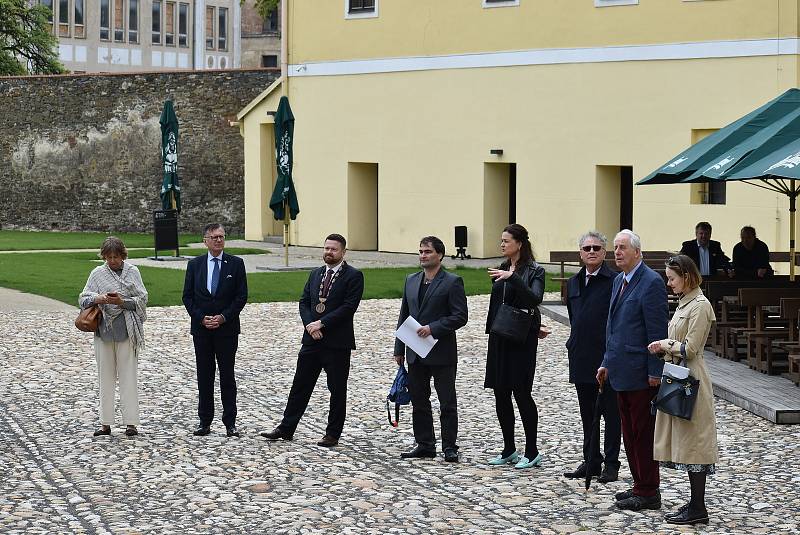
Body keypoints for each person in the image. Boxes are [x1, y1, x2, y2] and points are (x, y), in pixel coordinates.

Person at [262, 234, 364, 447]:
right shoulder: (315, 273)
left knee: (336, 389)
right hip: (311, 341)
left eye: (333, 249)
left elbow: (348, 307)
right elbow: (304, 302)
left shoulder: (354, 276)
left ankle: (333, 433)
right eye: (326, 248)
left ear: (343, 252)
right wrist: (310, 325)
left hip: (337, 343)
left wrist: (322, 324)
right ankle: (286, 427)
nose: (329, 252)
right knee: (300, 385)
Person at [597, 229, 668, 511]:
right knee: (629, 433)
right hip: (620, 370)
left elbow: (656, 331)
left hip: (641, 372)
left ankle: (649, 490)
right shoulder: (619, 280)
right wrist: (605, 362)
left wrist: (655, 371)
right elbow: (613, 328)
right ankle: (640, 484)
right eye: (615, 247)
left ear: (638, 252)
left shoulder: (650, 282)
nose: (617, 252)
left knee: (642, 433)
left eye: (623, 247)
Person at [648, 255, 718, 526]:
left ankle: (699, 507)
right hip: (678, 373)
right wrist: (663, 350)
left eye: (672, 278)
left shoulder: (700, 306)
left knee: (695, 443)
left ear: (686, 277)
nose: (668, 283)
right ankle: (694, 503)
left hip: (692, 380)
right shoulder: (684, 303)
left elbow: (690, 348)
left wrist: (664, 344)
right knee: (688, 443)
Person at [394, 236, 468, 463]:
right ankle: (425, 444)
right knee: (419, 400)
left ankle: (449, 446)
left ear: (440, 255)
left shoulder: (452, 281)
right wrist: (399, 348)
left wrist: (433, 328)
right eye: (421, 251)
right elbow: (404, 315)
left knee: (446, 402)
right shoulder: (411, 280)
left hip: (441, 352)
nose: (423, 255)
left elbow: (460, 316)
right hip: (415, 351)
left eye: (427, 252)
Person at [484, 224, 546, 469]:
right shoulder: (500, 268)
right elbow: (500, 303)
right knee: (500, 391)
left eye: (506, 241)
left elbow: (534, 299)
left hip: (521, 340)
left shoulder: (535, 270)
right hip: (500, 336)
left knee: (521, 392)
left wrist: (515, 278)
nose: (502, 245)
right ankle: (508, 447)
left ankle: (532, 450)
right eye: (501, 241)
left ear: (520, 243)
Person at [564, 231, 621, 484]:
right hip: (581, 355)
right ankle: (591, 459)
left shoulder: (615, 281)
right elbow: (574, 316)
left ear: (604, 252)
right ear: (580, 253)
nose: (591, 251)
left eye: (596, 247)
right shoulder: (574, 282)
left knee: (610, 413)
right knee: (587, 413)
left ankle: (611, 464)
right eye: (586, 248)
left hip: (605, 357)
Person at [182, 223, 248, 438]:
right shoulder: (195, 265)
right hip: (202, 330)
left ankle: (230, 422)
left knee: (227, 376)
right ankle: (204, 421)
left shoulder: (236, 264)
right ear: (205, 240)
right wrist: (201, 318)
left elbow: (241, 296)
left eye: (221, 236)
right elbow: (188, 296)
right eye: (214, 237)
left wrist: (223, 317)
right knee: (204, 375)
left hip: (226, 329)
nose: (218, 240)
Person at [79, 236, 148, 437]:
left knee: (128, 377)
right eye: (108, 257)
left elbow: (142, 299)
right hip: (104, 331)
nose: (112, 261)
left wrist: (121, 301)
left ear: (123, 255)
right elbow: (83, 298)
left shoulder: (133, 272)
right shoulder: (97, 273)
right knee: (105, 378)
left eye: (116, 257)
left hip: (127, 330)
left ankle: (131, 423)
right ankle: (105, 423)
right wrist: (99, 298)